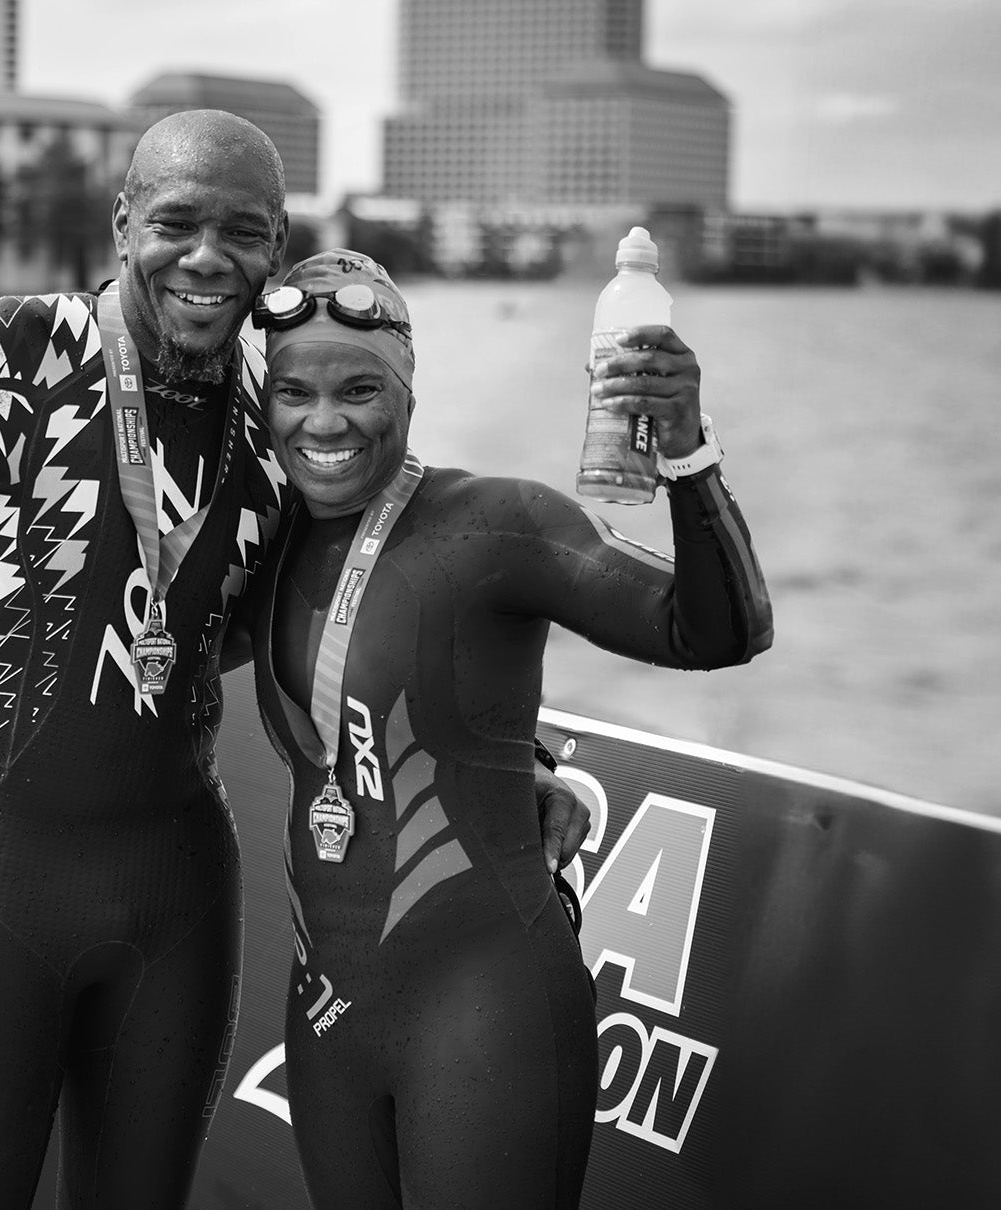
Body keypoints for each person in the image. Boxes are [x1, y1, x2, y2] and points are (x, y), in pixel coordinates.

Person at [0, 113, 591, 1208]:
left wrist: (519, 757)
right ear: (123, 224)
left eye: (244, 231)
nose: (207, 256)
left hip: (172, 892)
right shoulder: (18, 346)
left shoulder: (276, 432)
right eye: (174, 222)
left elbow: (330, 620)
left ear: (277, 252)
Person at [244, 250, 773, 1209]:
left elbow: (719, 630)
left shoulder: (492, 524)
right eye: (294, 392)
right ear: (265, 400)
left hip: (485, 1005)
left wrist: (689, 456)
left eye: (361, 389)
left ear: (408, 390)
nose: (325, 423)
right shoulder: (265, 541)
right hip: (326, 1011)